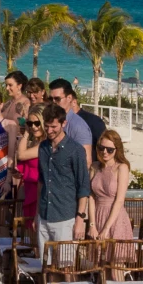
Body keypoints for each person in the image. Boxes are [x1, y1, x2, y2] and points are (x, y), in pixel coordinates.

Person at [35, 103, 92, 248]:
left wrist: (79, 220)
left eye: (53, 127)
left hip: (66, 216)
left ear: (63, 123)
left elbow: (84, 187)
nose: (49, 130)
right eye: (47, 126)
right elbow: (41, 182)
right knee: (45, 267)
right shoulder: (42, 147)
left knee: (65, 267)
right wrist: (37, 214)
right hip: (44, 215)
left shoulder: (76, 150)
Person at [89, 129, 134, 265]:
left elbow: (120, 200)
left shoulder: (122, 167)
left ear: (117, 150)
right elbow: (91, 197)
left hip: (116, 219)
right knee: (100, 266)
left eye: (110, 149)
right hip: (98, 215)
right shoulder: (94, 166)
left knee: (116, 267)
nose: (105, 152)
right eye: (101, 148)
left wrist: (107, 228)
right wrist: (92, 225)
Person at [45, 79, 96, 161]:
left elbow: (86, 162)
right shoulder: (49, 121)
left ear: (69, 98)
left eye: (57, 99)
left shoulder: (78, 127)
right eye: (50, 99)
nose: (53, 103)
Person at [12, 109, 42, 228]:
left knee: (34, 235)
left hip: (37, 191)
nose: (33, 127)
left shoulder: (44, 144)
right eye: (30, 124)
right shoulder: (35, 142)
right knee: (27, 234)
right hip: (28, 189)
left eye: (37, 123)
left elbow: (21, 155)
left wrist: (26, 134)